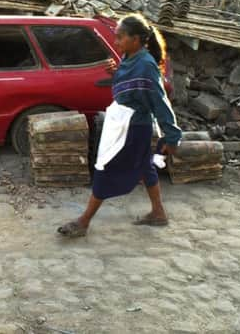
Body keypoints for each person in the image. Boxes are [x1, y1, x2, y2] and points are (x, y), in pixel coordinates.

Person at [57, 14, 182, 238]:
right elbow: (129, 87)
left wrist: (172, 136)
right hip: (127, 124)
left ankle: (84, 221)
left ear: (136, 39)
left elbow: (159, 101)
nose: (116, 42)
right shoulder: (130, 57)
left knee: (105, 168)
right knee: (145, 167)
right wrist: (116, 74)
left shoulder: (146, 65)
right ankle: (158, 213)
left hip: (132, 128)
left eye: (120, 38)